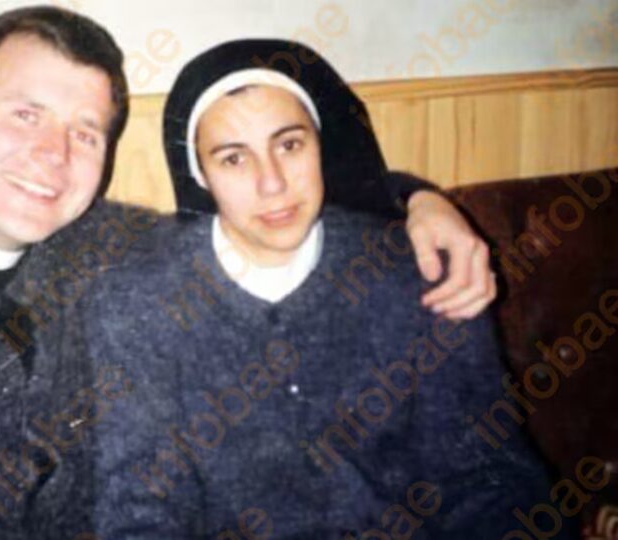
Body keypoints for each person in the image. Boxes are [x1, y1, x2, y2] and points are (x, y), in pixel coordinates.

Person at [0, 7, 494, 539]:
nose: (52, 156)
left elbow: (261, 216)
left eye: (84, 132)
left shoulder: (117, 249)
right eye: (25, 115)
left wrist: (413, 203)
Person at [83, 39, 556, 538]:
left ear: (321, 145)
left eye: (289, 145)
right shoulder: (140, 303)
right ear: (200, 173)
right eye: (234, 159)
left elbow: (487, 478)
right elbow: (140, 507)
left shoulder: (421, 272)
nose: (272, 184)